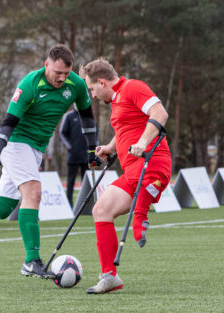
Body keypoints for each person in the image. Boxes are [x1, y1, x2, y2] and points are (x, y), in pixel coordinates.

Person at [0, 44, 101, 279]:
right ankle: (32, 260)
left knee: (3, 208)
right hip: (16, 143)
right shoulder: (29, 84)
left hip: (37, 148)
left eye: (66, 73)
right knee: (33, 193)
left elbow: (87, 118)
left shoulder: (77, 85)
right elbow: (8, 122)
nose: (62, 78)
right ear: (46, 65)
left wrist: (92, 150)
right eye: (57, 73)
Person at [80, 58, 172, 294]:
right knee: (101, 210)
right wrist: (110, 147)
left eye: (92, 89)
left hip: (151, 163)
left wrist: (142, 142)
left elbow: (160, 113)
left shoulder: (133, 87)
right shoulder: (118, 99)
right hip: (132, 169)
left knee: (135, 206)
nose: (93, 95)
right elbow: (128, 127)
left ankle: (141, 216)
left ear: (102, 82)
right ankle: (109, 276)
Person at [59, 104, 89, 207]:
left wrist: (93, 148)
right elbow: (62, 133)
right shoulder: (68, 116)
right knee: (71, 180)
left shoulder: (88, 115)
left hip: (86, 154)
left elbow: (95, 132)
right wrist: (70, 147)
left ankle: (86, 205)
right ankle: (69, 204)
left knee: (86, 181)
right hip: (73, 155)